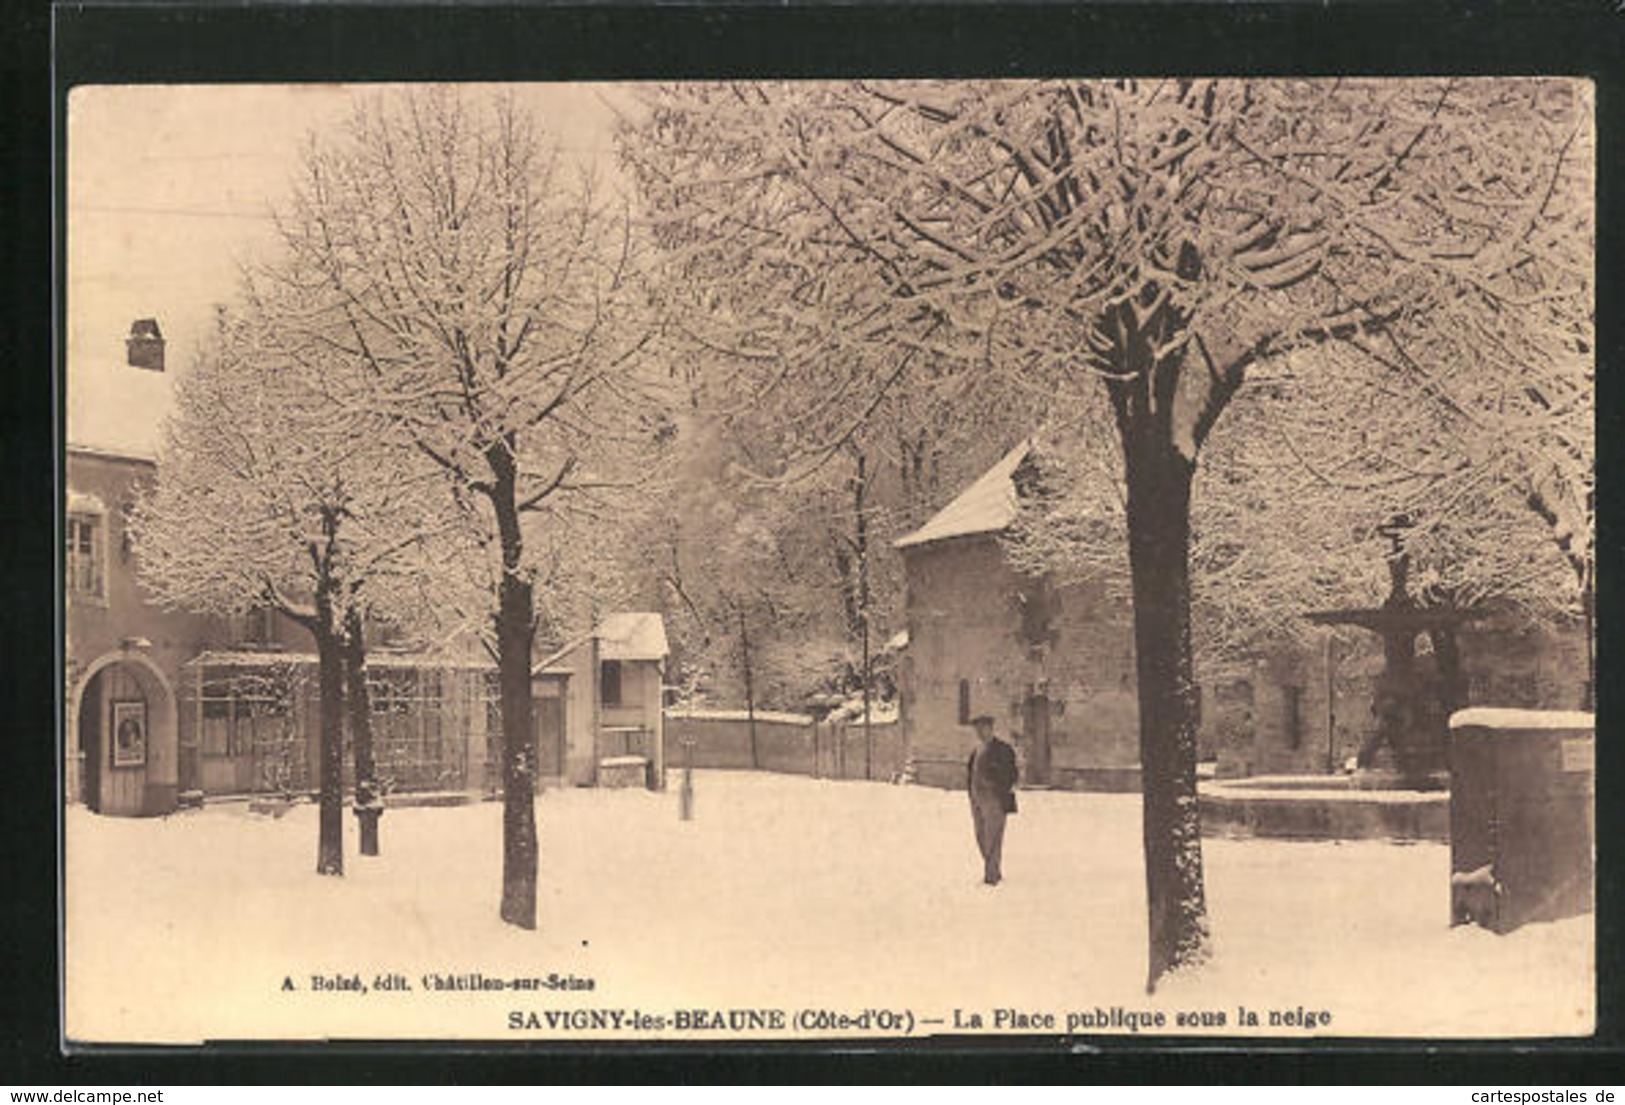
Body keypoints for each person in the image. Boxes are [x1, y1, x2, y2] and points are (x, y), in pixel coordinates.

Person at [966, 714, 1018, 885]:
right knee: (980, 836)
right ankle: (992, 869)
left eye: (983, 728)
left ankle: (992, 876)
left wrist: (997, 788)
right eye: (977, 729)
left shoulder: (1003, 749)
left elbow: (1012, 774)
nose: (980, 733)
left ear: (991, 729)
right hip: (977, 799)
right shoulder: (976, 751)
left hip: (994, 799)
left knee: (993, 837)